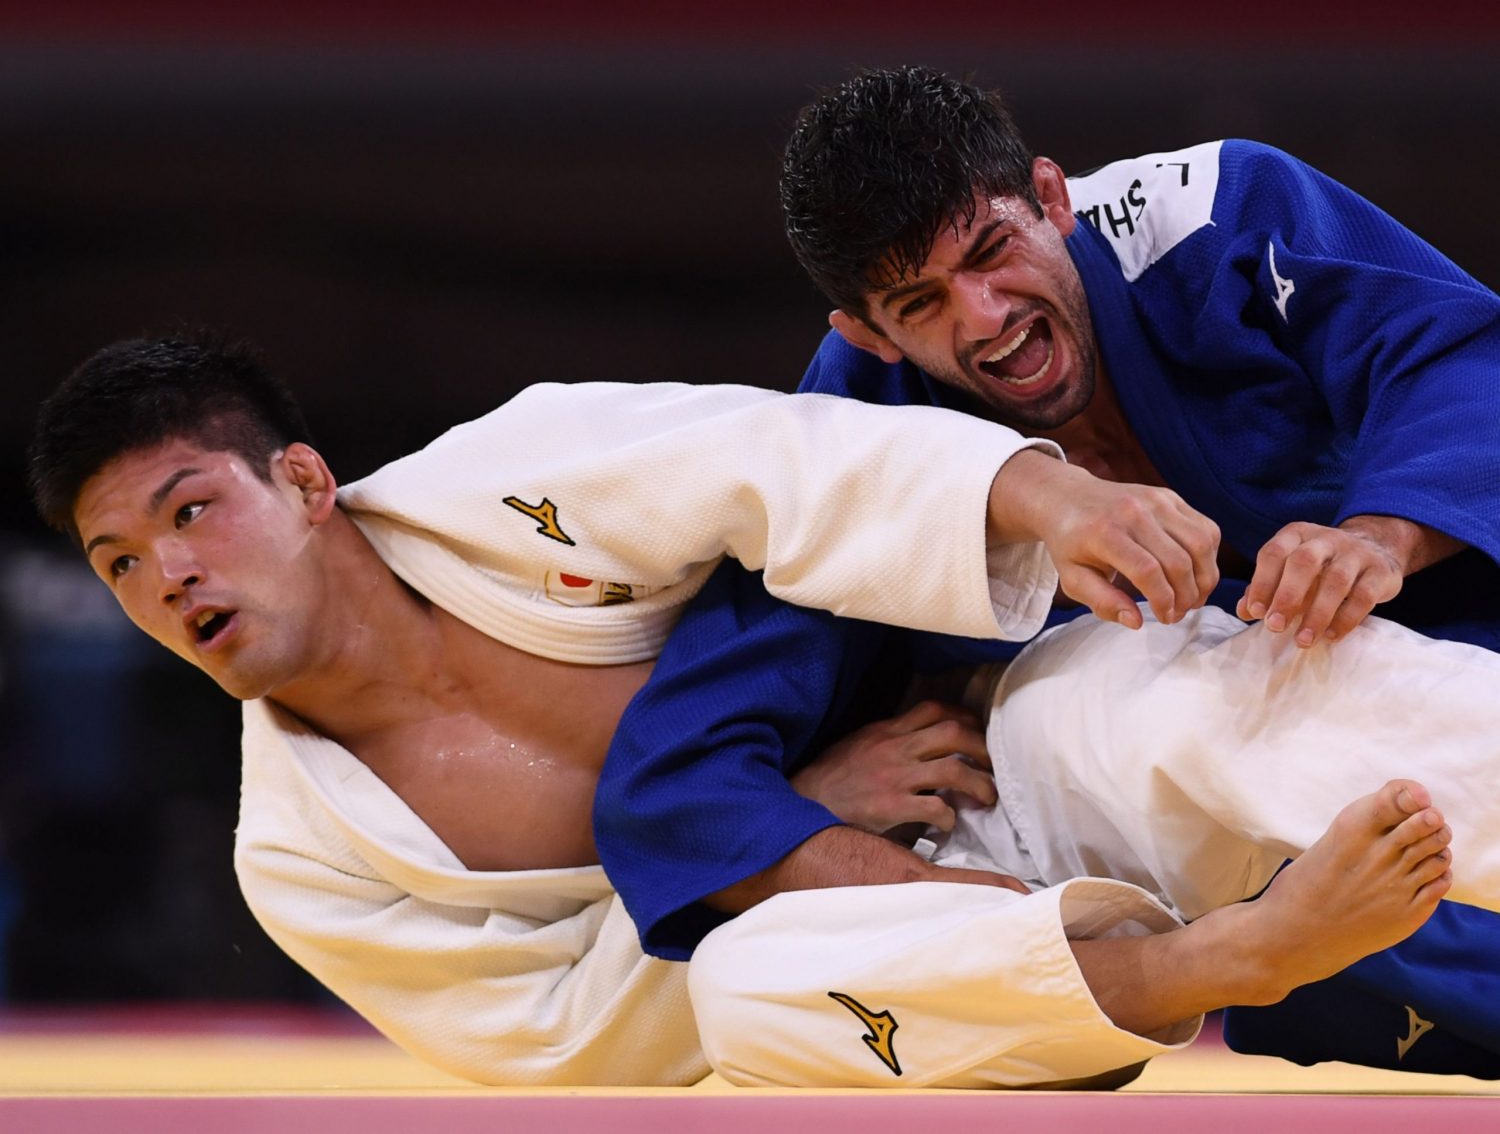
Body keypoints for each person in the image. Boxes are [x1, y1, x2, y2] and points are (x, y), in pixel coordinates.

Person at [593, 65, 1500, 1080]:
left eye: (993, 250)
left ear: (1053, 197)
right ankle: (1216, 958)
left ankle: (1240, 948)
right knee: (742, 990)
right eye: (920, 300)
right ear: (865, 331)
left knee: (1248, 711)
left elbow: (1459, 360)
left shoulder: (1213, 218)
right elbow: (674, 779)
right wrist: (852, 842)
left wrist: (1380, 535)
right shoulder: (849, 448)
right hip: (1148, 870)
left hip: (1420, 700)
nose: (982, 315)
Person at [28, 330, 1242, 1086]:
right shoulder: (300, 861)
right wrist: (777, 836)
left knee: (1193, 716)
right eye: (118, 561)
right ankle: (1183, 968)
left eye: (189, 511)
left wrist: (1052, 504)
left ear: (302, 480)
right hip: (900, 962)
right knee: (749, 998)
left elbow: (796, 458)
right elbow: (570, 1037)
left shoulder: (517, 468)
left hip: (988, 727)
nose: (166, 574)